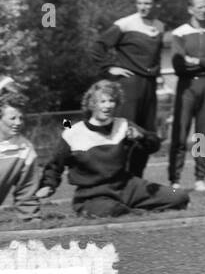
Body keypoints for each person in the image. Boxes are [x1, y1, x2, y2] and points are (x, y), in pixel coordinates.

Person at [35, 80, 190, 217]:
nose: (107, 105)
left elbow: (154, 145)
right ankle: (135, 212)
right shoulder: (73, 133)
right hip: (93, 194)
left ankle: (131, 209)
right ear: (92, 104)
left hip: (128, 186)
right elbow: (55, 165)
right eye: (102, 101)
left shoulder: (123, 125)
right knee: (109, 210)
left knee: (179, 196)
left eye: (111, 101)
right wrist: (48, 186)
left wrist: (141, 137)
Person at [91, 0, 165, 177]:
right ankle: (118, 178)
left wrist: (158, 75)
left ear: (157, 4)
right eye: (139, 3)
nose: (143, 7)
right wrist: (109, 68)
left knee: (147, 133)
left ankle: (136, 178)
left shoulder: (160, 26)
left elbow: (154, 57)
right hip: (129, 85)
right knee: (126, 130)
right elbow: (98, 47)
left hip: (149, 86)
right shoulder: (124, 24)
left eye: (147, 3)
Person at [167, 0, 205, 191]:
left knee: (202, 134)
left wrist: (197, 61)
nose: (204, 10)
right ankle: (175, 179)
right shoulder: (180, 33)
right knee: (181, 132)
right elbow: (179, 64)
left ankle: (200, 178)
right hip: (187, 87)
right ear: (190, 9)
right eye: (199, 7)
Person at [0, 95, 40, 221]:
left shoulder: (25, 149)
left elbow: (26, 189)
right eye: (13, 118)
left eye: (21, 118)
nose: (18, 123)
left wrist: (31, 217)